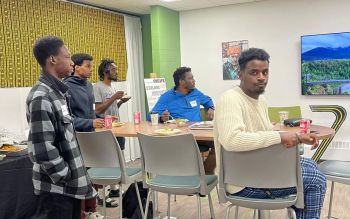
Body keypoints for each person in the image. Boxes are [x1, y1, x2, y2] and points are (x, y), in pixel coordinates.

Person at [214, 48, 326, 219]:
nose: (261, 77)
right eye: (254, 72)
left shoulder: (261, 101)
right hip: (242, 182)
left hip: (257, 169)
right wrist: (280, 136)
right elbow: (231, 140)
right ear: (240, 73)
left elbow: (267, 132)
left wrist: (297, 137)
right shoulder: (230, 99)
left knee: (309, 165)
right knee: (316, 180)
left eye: (265, 72)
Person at [26, 36, 95, 219]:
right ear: (53, 59)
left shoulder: (59, 93)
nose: (72, 62)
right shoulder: (42, 96)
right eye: (68, 56)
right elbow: (41, 147)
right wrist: (64, 173)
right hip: (56, 188)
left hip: (69, 186)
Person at [149, 66, 216, 174]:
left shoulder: (196, 92)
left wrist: (211, 108)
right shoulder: (167, 97)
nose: (194, 81)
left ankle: (205, 175)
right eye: (190, 78)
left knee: (219, 146)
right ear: (181, 82)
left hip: (199, 134)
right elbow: (151, 115)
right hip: (180, 137)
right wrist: (161, 118)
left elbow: (208, 100)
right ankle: (197, 178)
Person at [64, 53, 106, 218]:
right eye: (87, 66)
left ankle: (91, 210)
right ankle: (81, 212)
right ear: (75, 66)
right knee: (80, 177)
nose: (91, 69)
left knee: (92, 175)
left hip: (91, 137)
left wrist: (102, 119)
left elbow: (90, 113)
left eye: (91, 66)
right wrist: (90, 123)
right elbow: (67, 120)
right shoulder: (66, 87)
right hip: (76, 140)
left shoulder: (89, 86)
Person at [93, 59, 131, 198]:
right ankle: (102, 195)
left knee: (118, 157)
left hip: (117, 127)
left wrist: (120, 101)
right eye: (114, 69)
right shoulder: (97, 87)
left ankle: (114, 188)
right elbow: (98, 110)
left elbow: (111, 108)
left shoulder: (111, 87)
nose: (117, 72)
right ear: (105, 71)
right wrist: (115, 97)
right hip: (105, 130)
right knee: (106, 160)